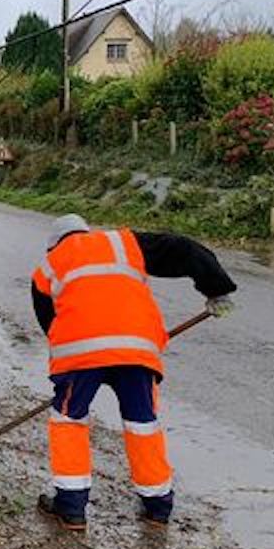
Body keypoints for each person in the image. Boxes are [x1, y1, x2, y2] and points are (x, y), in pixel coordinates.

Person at [31, 214, 236, 531]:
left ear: (53, 244)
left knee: (69, 421)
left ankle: (70, 509)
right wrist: (216, 288)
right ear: (87, 232)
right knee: (143, 424)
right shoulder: (122, 242)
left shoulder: (48, 267)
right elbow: (183, 249)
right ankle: (157, 507)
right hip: (135, 351)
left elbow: (50, 323)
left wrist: (71, 370)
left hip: (80, 356)